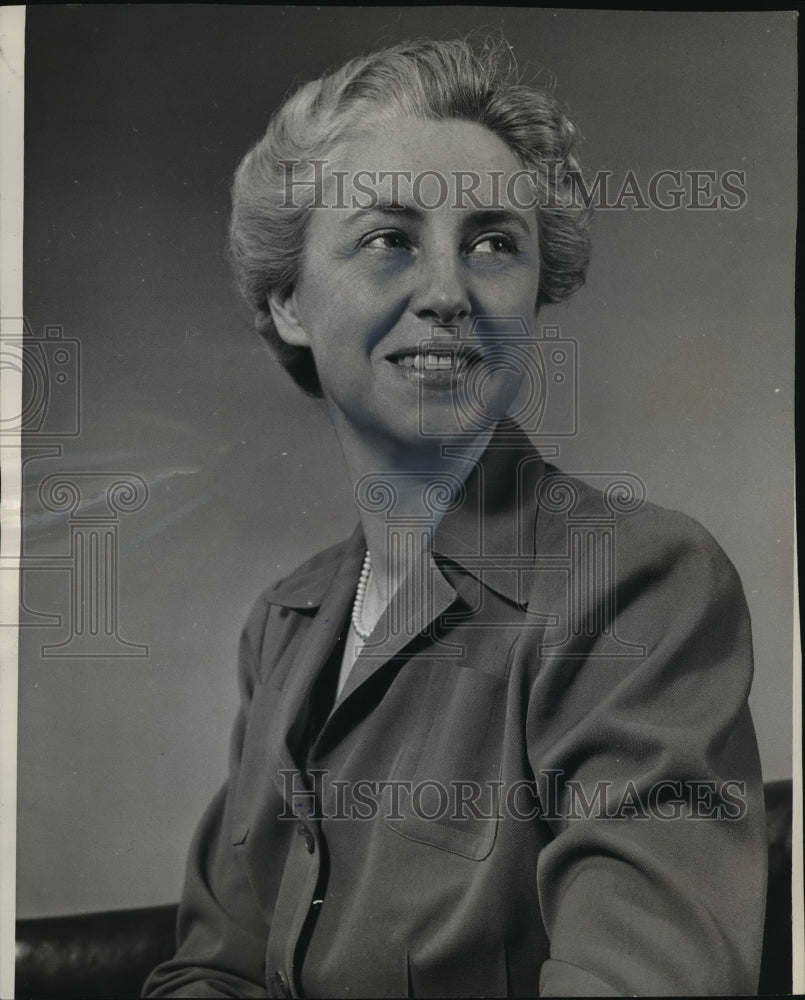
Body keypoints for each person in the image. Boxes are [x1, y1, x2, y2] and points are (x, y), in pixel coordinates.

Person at [142, 37, 767, 998]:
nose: (446, 293)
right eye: (388, 238)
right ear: (289, 302)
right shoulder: (286, 621)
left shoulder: (640, 584)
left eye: (492, 243)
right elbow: (213, 969)